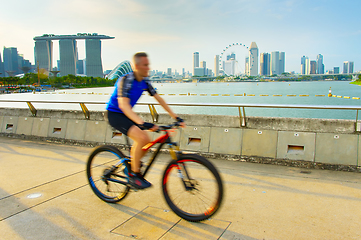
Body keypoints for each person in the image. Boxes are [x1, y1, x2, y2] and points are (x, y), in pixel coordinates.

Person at [106, 52, 185, 189]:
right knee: (142, 138)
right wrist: (142, 123)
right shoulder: (126, 80)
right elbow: (124, 106)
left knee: (147, 140)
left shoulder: (145, 81)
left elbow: (159, 99)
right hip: (115, 114)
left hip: (126, 114)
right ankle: (134, 176)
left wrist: (175, 117)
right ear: (136, 66)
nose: (149, 68)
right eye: (145, 65)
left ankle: (132, 163)